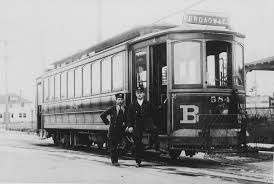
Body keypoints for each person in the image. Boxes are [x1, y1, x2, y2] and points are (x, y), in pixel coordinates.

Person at [127, 86, 157, 167]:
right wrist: (130, 126)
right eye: (138, 93)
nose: (139, 95)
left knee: (155, 132)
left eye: (141, 93)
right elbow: (129, 117)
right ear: (136, 94)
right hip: (137, 125)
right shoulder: (132, 105)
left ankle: (154, 147)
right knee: (137, 143)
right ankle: (138, 161)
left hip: (147, 125)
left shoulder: (148, 104)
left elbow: (154, 114)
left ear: (144, 94)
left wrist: (152, 124)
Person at [100, 93, 127, 166]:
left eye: (121, 99)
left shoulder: (125, 109)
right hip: (113, 131)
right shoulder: (112, 108)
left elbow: (128, 118)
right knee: (113, 146)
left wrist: (126, 124)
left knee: (118, 146)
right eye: (118, 99)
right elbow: (102, 115)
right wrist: (108, 123)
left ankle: (116, 160)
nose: (120, 101)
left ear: (123, 100)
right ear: (116, 100)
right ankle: (114, 161)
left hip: (121, 131)